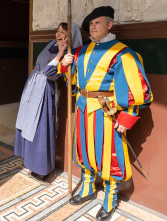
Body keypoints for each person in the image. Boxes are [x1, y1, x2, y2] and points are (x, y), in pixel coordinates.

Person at [61, 6, 153, 221]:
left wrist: (127, 117)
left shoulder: (123, 53)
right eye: (91, 24)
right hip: (83, 108)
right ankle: (88, 187)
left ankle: (110, 197)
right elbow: (72, 82)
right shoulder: (80, 52)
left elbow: (134, 88)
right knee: (84, 148)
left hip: (107, 112)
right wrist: (66, 65)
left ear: (109, 25)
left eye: (98, 23)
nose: (93, 27)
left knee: (109, 153)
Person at [14, 22, 83, 185]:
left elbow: (49, 72)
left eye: (63, 32)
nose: (58, 35)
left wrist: (60, 54)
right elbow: (40, 65)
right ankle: (31, 162)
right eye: (57, 31)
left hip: (45, 90)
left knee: (40, 128)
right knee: (28, 124)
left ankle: (44, 168)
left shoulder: (70, 52)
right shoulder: (50, 45)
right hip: (32, 85)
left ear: (71, 35)